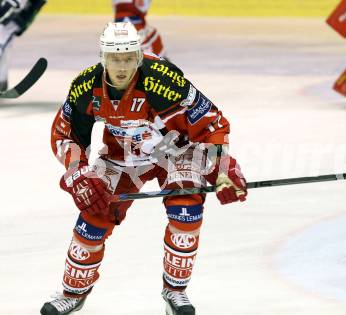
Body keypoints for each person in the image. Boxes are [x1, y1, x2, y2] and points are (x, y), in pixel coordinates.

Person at [40, 22, 247, 315]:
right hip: (121, 156)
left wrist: (222, 167)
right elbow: (65, 135)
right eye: (114, 58)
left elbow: (213, 123)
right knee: (92, 217)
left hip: (176, 151)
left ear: (138, 56)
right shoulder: (85, 87)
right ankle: (72, 293)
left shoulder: (164, 81)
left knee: (186, 212)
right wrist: (78, 172)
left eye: (127, 58)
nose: (121, 66)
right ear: (103, 57)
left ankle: (175, 293)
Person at [0, 0, 46, 91]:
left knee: (3, 37)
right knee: (6, 41)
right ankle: (2, 81)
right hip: (17, 15)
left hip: (15, 15)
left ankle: (2, 81)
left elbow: (12, 5)